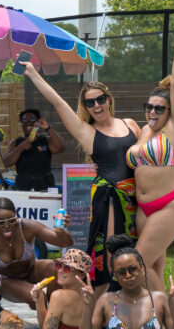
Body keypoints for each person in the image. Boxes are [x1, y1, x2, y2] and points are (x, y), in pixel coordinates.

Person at [22, 62, 141, 293]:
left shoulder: (130, 124)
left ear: (109, 99)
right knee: (111, 249)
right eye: (89, 102)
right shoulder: (88, 132)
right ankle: (108, 299)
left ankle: (137, 300)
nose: (96, 105)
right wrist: (32, 73)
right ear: (85, 106)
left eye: (100, 99)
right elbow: (58, 102)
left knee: (138, 250)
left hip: (136, 196)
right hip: (109, 200)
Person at [128, 17, 174, 292]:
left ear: (170, 112)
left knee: (136, 263)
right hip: (144, 209)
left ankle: (170, 311)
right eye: (149, 107)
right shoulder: (144, 131)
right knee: (153, 268)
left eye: (160, 109)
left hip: (172, 203)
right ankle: (157, 321)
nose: (153, 112)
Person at [0, 197, 72, 308]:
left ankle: (55, 310)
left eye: (11, 220)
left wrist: (62, 231)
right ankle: (47, 319)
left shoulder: (27, 227)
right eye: (0, 222)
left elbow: (65, 243)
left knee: (54, 267)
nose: (7, 226)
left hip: (31, 271)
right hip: (6, 281)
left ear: (16, 214)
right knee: (38, 296)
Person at [3, 109, 65, 191]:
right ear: (21, 123)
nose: (29, 123)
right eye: (25, 120)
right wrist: (21, 147)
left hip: (45, 185)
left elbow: (61, 147)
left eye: (32, 120)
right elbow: (7, 163)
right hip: (23, 186)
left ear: (38, 122)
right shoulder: (15, 143)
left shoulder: (46, 140)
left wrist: (48, 128)